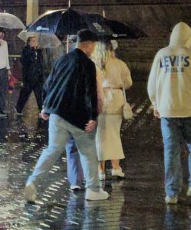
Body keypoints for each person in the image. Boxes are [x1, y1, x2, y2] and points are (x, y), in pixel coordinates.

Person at [24, 29, 108, 204]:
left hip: (57, 114)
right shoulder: (87, 64)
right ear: (89, 45)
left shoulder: (62, 60)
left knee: (52, 150)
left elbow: (48, 85)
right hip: (78, 117)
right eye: (93, 45)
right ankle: (93, 189)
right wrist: (93, 116)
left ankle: (33, 181)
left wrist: (46, 107)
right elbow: (89, 91)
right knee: (88, 152)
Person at [147, 22, 191, 205]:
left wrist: (155, 103)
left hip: (168, 112)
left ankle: (171, 193)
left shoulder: (161, 55)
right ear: (189, 38)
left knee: (171, 151)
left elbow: (151, 85)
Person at [96, 39, 132, 179]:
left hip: (100, 99)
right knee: (115, 134)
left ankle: (101, 170)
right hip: (116, 100)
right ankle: (116, 167)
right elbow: (128, 83)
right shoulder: (120, 64)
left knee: (100, 136)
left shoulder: (95, 64)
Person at [15, 35, 44, 116]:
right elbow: (25, 62)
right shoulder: (26, 51)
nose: (35, 42)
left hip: (38, 77)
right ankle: (18, 108)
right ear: (29, 42)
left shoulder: (39, 51)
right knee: (25, 94)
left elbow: (41, 64)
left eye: (36, 41)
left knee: (39, 94)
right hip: (29, 77)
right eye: (33, 41)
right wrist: (32, 52)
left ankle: (41, 110)